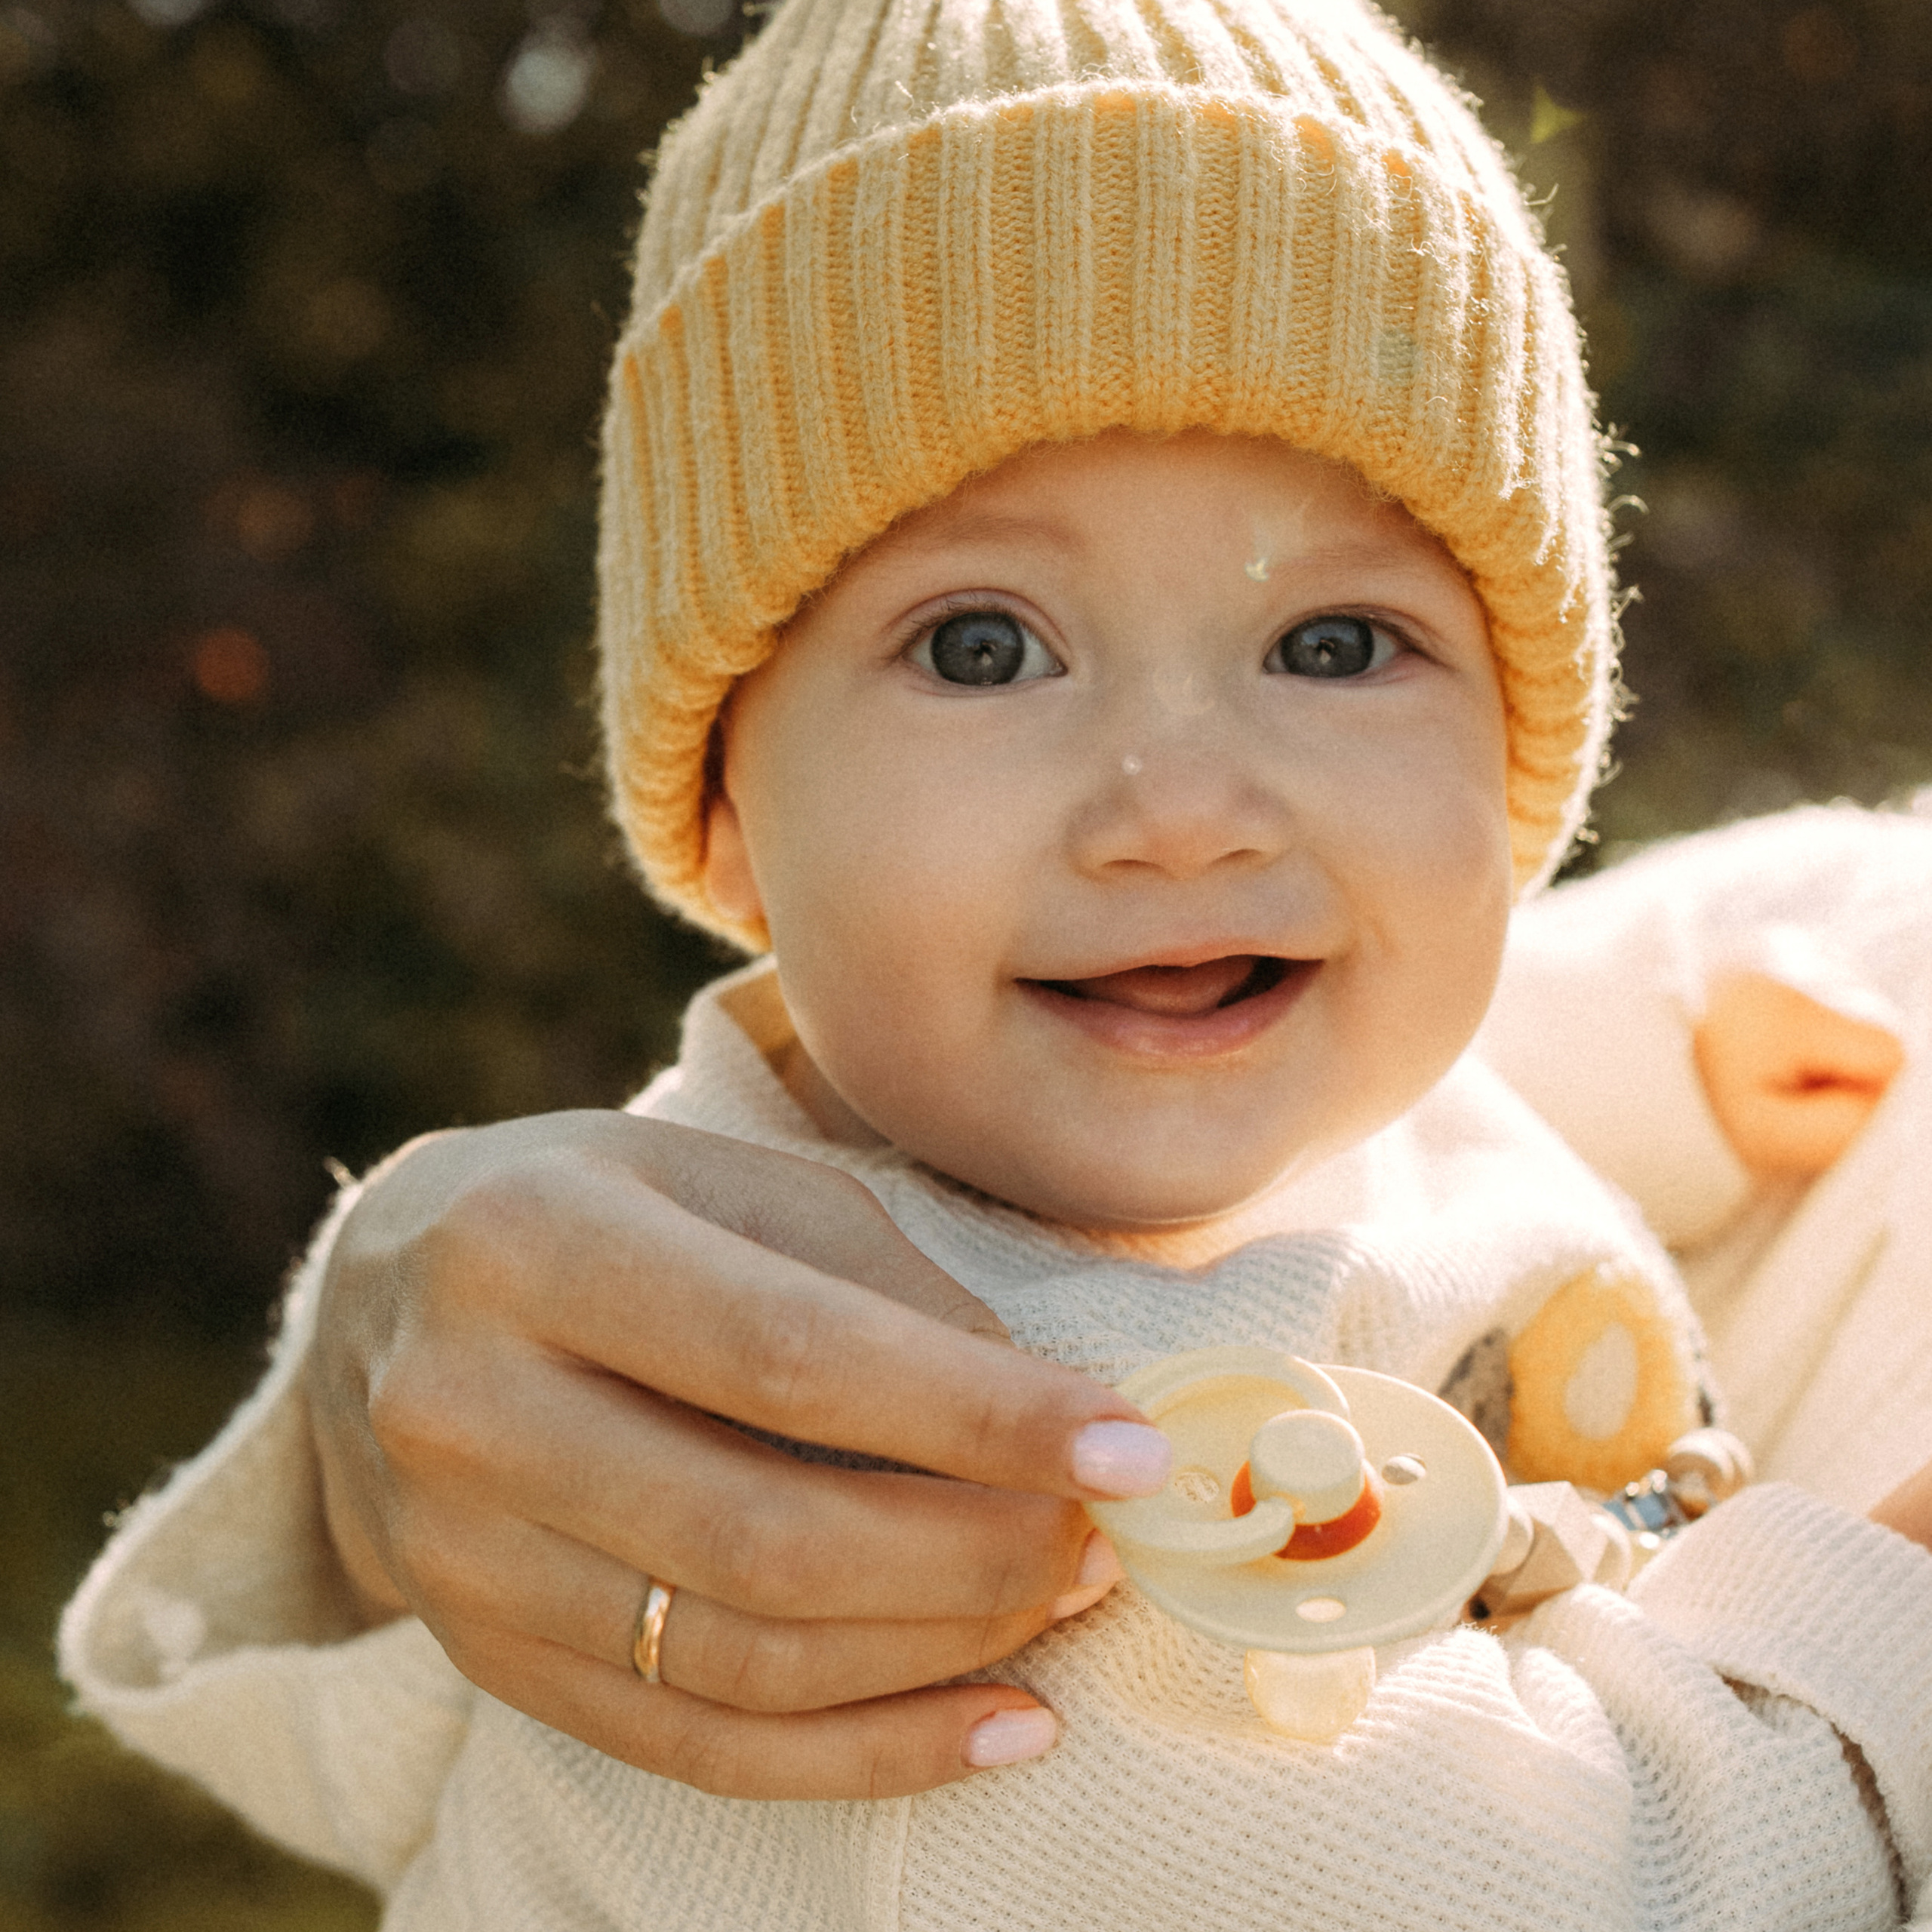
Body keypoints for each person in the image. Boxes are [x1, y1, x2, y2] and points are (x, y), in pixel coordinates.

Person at [57, 0, 1932, 1924]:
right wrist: (1881, 1650)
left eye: (1334, 644)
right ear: (724, 805)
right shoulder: (926, 1454)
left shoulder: (1159, 1080)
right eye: (982, 647)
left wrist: (1646, 1061)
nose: (1181, 811)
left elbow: (1408, 1123)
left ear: (1520, 754)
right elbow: (1554, 1885)